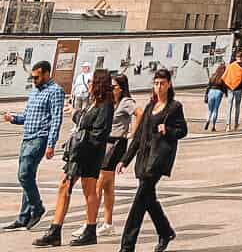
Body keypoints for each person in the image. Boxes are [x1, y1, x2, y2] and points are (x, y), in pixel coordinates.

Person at [33, 68, 114, 246]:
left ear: (99, 84)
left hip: (89, 154)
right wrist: (78, 113)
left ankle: (90, 229)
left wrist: (76, 114)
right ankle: (55, 229)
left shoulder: (106, 106)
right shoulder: (95, 102)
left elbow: (98, 132)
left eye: (92, 82)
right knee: (65, 186)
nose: (89, 84)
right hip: (80, 152)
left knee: (89, 189)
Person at [117, 69, 187, 252]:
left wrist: (168, 130)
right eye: (156, 83)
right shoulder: (150, 107)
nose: (159, 87)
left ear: (169, 84)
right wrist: (125, 160)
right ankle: (165, 232)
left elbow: (182, 130)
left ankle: (127, 246)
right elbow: (139, 135)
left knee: (138, 203)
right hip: (144, 159)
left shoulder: (174, 107)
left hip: (158, 160)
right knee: (148, 199)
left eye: (162, 83)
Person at [2, 59, 66, 233]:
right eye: (32, 77)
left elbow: (56, 119)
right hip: (27, 137)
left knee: (23, 175)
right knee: (28, 175)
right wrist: (14, 118)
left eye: (37, 77)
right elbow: (28, 116)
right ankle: (24, 217)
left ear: (46, 74)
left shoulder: (55, 91)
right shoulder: (33, 92)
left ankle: (37, 207)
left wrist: (51, 144)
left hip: (40, 138)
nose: (34, 80)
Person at [98, 75, 139, 238]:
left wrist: (132, 133)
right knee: (108, 186)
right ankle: (107, 223)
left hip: (116, 144)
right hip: (106, 143)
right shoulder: (110, 103)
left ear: (120, 88)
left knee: (99, 182)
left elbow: (139, 113)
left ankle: (91, 221)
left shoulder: (126, 102)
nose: (110, 89)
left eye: (113, 87)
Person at [221, 52, 242, 132]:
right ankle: (236, 124)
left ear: (236, 57)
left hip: (230, 88)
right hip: (238, 88)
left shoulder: (231, 65)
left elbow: (224, 76)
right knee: (237, 106)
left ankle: (228, 125)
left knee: (229, 106)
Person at [202, 61, 226, 132]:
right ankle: (213, 126)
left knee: (210, 110)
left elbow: (208, 86)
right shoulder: (222, 77)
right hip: (218, 92)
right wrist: (226, 93)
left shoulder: (213, 76)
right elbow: (224, 87)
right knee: (215, 110)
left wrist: (206, 95)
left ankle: (208, 120)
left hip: (211, 92)